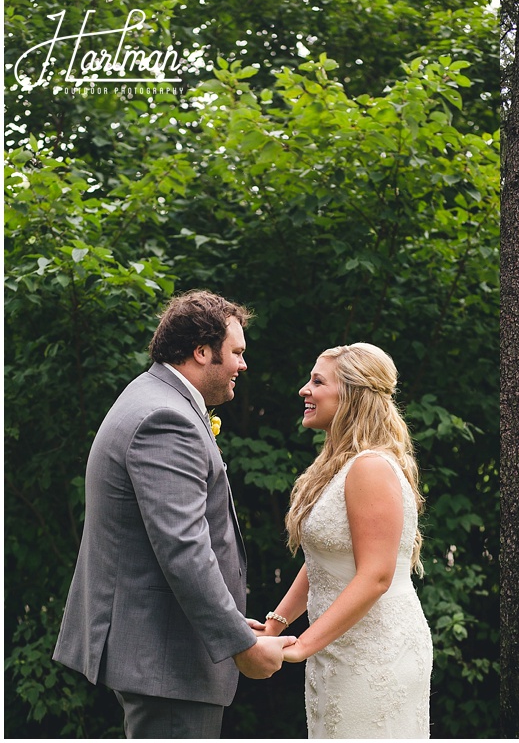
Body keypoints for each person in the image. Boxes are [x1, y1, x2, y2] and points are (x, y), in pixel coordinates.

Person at [52, 290, 296, 738]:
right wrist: (239, 644)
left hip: (165, 648)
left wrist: (226, 616)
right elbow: (183, 547)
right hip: (167, 659)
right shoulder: (166, 418)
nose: (243, 365)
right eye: (237, 352)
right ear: (202, 352)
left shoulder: (152, 396)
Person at [252, 343, 433, 738]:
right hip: (335, 645)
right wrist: (275, 625)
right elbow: (322, 560)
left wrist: (300, 646)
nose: (305, 389)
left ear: (351, 393)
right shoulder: (341, 465)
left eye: (317, 381)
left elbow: (376, 575)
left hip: (375, 652)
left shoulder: (369, 468)